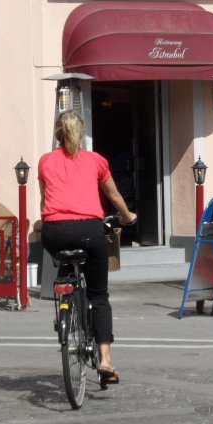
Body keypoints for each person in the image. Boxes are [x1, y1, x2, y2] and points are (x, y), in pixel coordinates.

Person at [38, 110, 137, 389]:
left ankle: (64, 304)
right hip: (89, 232)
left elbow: (47, 196)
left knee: (65, 262)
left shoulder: (45, 162)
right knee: (99, 296)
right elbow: (113, 194)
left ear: (58, 134)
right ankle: (105, 361)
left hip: (55, 232)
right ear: (81, 134)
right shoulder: (96, 160)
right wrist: (128, 216)